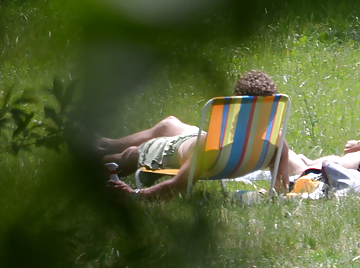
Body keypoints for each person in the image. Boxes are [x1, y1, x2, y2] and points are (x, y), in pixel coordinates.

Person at [102, 70, 303, 199]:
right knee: (169, 124)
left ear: (236, 108)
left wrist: (134, 194)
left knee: (129, 156)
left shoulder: (212, 146)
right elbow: (280, 188)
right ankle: (104, 145)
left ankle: (94, 160)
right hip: (195, 143)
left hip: (175, 150)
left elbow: (178, 185)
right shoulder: (277, 144)